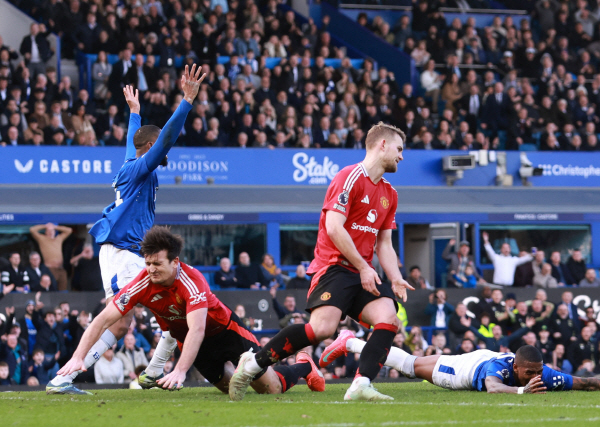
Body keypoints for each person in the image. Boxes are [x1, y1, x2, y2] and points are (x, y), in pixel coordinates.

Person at [47, 65, 205, 395]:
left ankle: (65, 378)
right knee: (166, 303)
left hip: (116, 250)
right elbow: (164, 138)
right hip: (126, 253)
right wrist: (187, 102)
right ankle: (154, 370)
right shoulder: (141, 169)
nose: (166, 150)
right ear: (148, 148)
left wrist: (135, 112)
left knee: (119, 322)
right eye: (159, 146)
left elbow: (136, 142)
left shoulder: (129, 165)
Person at [228, 122, 412, 402]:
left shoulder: (390, 194)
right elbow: (334, 227)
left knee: (389, 319)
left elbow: (384, 243)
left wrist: (395, 277)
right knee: (321, 330)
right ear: (382, 145)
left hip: (362, 271)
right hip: (334, 267)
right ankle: (253, 363)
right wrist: (364, 267)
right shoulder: (348, 177)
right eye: (399, 149)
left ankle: (361, 384)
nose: (402, 156)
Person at [58, 227, 324, 395]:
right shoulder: (141, 282)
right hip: (198, 347)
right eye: (148, 263)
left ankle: (303, 365)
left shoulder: (192, 280)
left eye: (157, 264)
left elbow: (197, 328)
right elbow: (103, 319)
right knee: (233, 389)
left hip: (226, 332)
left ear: (175, 261)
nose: (151, 269)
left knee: (270, 389)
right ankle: (251, 373)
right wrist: (78, 358)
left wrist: (179, 371)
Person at [321, 339, 600, 393]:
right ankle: (351, 342)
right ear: (518, 365)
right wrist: (521, 390)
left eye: (538, 372)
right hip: (466, 369)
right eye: (530, 373)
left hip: (476, 356)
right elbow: (495, 388)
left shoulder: (542, 373)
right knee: (410, 367)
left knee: (411, 360)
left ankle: (351, 341)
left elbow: (589, 382)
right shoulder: (502, 371)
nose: (536, 377)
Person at [29, 223, 73, 291]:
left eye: (52, 231)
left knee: (63, 290)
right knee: (52, 289)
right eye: (48, 231)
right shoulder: (42, 239)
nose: (50, 232)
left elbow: (69, 230)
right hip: (50, 269)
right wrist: (45, 226)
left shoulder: (59, 238)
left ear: (55, 232)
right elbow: (32, 230)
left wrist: (55, 227)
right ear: (46, 232)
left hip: (60, 269)